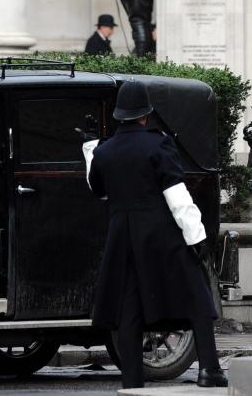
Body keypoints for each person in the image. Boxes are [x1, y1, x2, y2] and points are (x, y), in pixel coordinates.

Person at [83, 80, 225, 389]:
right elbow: (176, 195)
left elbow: (98, 190)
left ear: (120, 115)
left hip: (122, 237)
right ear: (145, 114)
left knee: (129, 310)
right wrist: (197, 236)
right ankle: (209, 369)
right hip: (160, 233)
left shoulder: (105, 151)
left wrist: (91, 147)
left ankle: (132, 380)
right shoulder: (158, 143)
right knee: (197, 297)